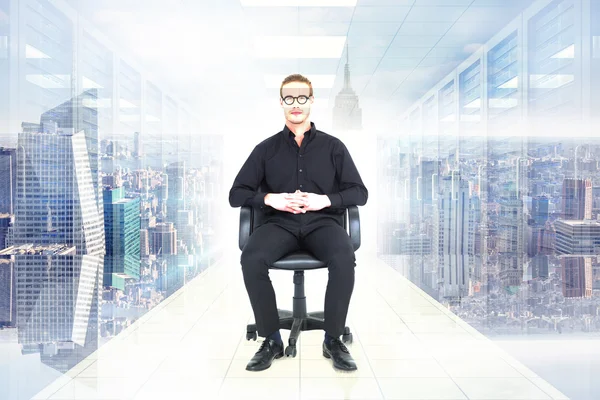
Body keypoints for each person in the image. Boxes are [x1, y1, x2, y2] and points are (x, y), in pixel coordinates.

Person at [228, 73, 368, 372]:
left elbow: (359, 192)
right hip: (279, 224)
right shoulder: (265, 149)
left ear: (311, 101)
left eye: (302, 97)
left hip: (322, 223)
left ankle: (333, 340)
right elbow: (236, 194)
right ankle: (272, 340)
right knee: (251, 258)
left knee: (344, 255)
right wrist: (270, 199)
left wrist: (325, 200)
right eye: (289, 98)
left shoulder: (334, 147)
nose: (296, 104)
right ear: (281, 103)